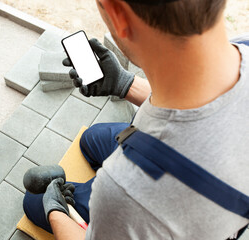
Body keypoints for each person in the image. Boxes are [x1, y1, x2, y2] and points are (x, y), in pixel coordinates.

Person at [23, 0, 249, 239]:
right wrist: (125, 84)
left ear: (118, 14)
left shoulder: (126, 194)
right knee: (92, 138)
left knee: (34, 199)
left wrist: (55, 208)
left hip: (160, 197)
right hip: (215, 174)